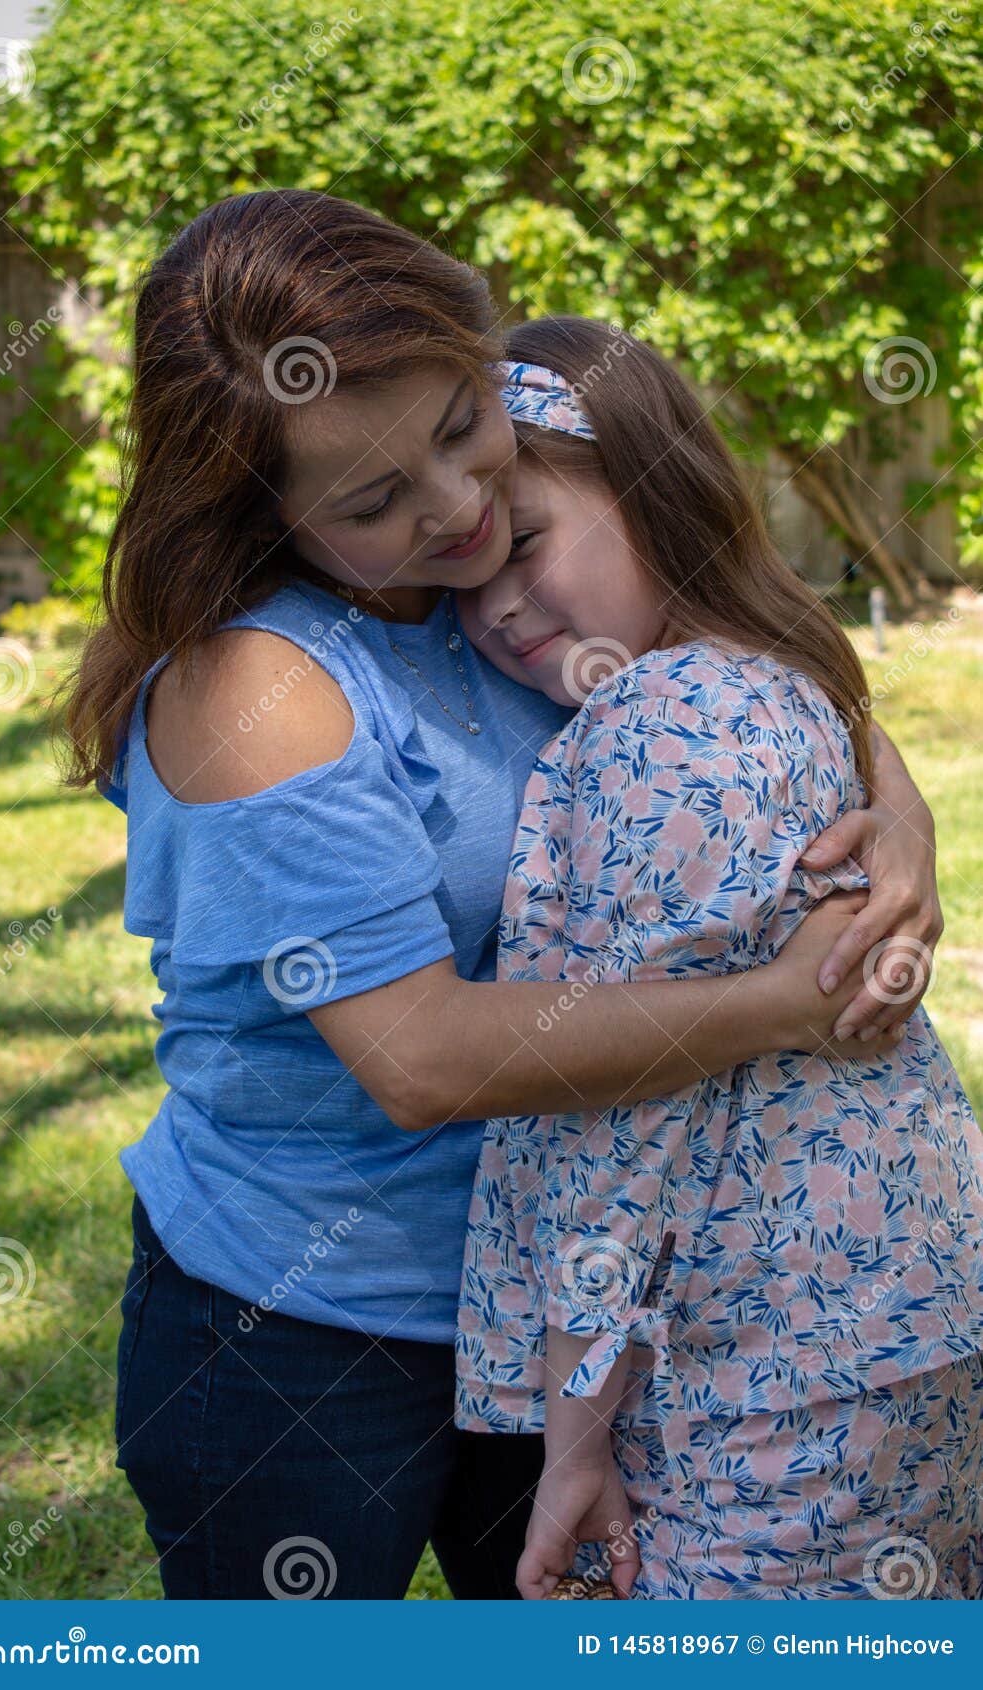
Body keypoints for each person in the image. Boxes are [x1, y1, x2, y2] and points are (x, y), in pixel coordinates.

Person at [61, 191, 943, 1599]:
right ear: (265, 509)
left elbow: (733, 642)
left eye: (461, 429)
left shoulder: (509, 580)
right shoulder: (267, 688)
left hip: (556, 1295)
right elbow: (417, 1057)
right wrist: (776, 1003)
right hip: (303, 1316)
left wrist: (897, 818)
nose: (458, 509)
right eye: (371, 500)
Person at [453, 319, 983, 1600]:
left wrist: (572, 1435)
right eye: (457, 587)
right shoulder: (780, 678)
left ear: (653, 488)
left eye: (522, 543)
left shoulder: (661, 718)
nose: (499, 604)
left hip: (755, 1376)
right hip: (888, 1328)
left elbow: (624, 1107)